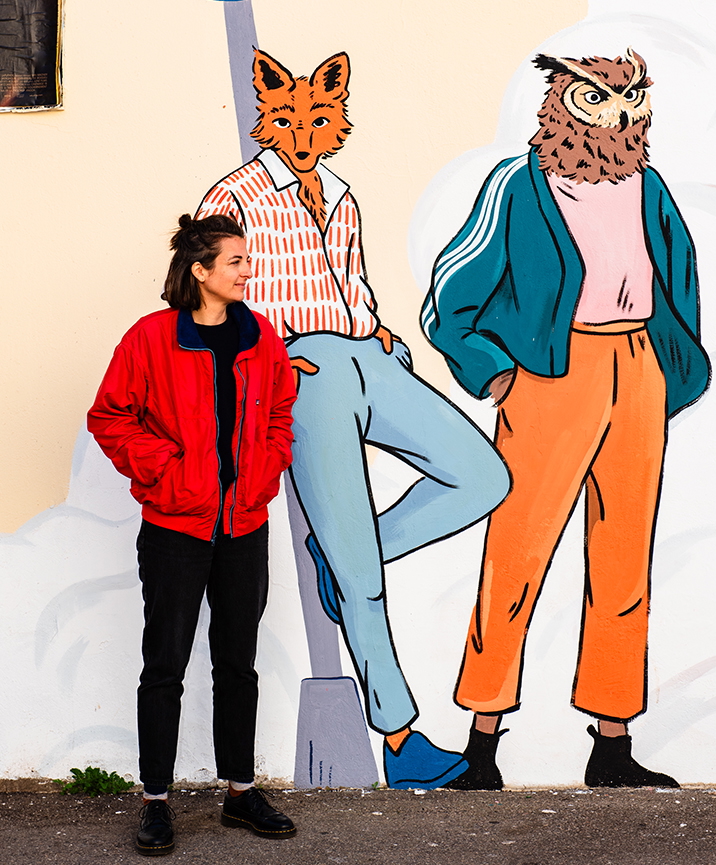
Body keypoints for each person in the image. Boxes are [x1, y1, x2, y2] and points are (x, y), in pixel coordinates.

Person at [196, 49, 510, 789]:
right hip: (302, 371)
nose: (303, 135)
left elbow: (349, 279)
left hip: (367, 354)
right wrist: (264, 359)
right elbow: (207, 291)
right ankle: (401, 740)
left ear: (336, 115)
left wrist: (380, 334)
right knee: (360, 571)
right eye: (286, 120)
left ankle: (344, 561)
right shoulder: (237, 194)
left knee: (483, 476)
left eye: (317, 119)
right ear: (267, 118)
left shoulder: (340, 193)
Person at [421, 50, 710, 789]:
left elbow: (678, 274)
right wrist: (494, 369)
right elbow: (452, 291)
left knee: (624, 561)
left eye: (629, 101)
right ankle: (481, 743)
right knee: (516, 553)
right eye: (597, 100)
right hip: (552, 376)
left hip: (635, 367)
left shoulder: (648, 186)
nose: (616, 116)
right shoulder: (519, 185)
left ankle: (612, 744)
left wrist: (670, 367)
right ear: (561, 104)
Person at [88, 214, 298, 855]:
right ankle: (155, 801)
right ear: (200, 271)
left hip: (243, 525)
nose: (246, 270)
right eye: (235, 260)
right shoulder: (151, 338)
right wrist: (168, 470)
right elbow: (110, 416)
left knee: (238, 664)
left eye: (246, 259)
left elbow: (281, 410)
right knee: (165, 666)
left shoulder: (259, 336)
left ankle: (240, 792)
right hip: (175, 528)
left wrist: (266, 468)